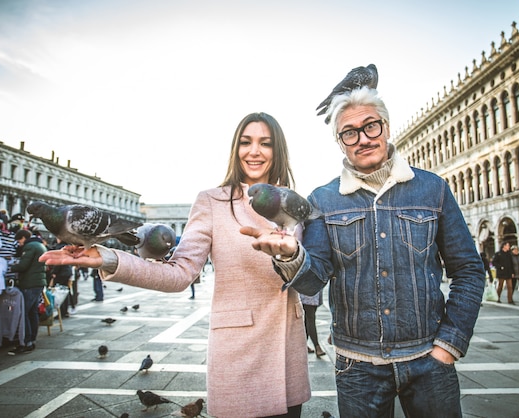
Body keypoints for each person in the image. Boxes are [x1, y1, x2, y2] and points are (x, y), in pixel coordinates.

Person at [40, 112, 311, 417]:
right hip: (239, 349)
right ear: (236, 148)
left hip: (288, 350)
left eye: (266, 143)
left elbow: (309, 272)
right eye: (246, 142)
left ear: (279, 150)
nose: (254, 151)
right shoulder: (212, 201)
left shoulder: (294, 201)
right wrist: (111, 258)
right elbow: (179, 274)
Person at [241, 87, 484, 417]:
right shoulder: (323, 200)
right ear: (340, 142)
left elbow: (469, 268)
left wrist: (449, 344)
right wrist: (289, 255)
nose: (363, 139)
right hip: (357, 368)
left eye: (371, 126)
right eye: (349, 133)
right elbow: (313, 281)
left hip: (429, 361)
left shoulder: (433, 189)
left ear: (385, 126)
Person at [8, 229, 47, 354]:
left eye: (19, 241)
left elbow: (23, 266)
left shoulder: (29, 247)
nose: (19, 244)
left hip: (30, 283)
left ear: (24, 238)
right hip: (38, 283)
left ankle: (26, 342)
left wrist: (9, 266)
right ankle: (31, 340)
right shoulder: (40, 245)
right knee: (32, 312)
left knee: (24, 312)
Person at [48, 238, 74, 317]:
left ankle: (61, 311)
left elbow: (58, 262)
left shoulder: (60, 247)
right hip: (67, 271)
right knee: (64, 292)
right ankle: (65, 311)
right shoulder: (67, 247)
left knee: (59, 292)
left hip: (61, 272)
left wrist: (54, 272)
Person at [300, 290, 325, 357]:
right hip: (307, 293)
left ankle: (303, 345)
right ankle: (317, 346)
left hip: (314, 293)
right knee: (311, 319)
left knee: (308, 319)